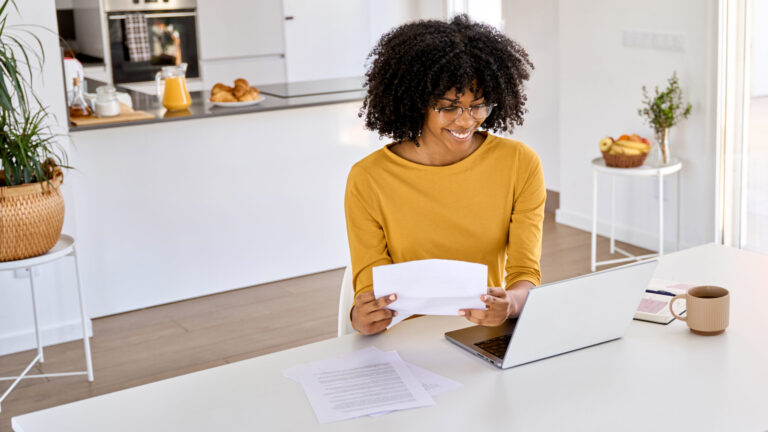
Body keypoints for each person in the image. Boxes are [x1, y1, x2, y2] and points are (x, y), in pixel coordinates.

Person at [345, 14, 545, 335]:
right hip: (402, 339)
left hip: (482, 331)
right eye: (449, 107)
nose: (466, 121)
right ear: (415, 102)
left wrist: (511, 303)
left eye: (478, 106)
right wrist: (360, 316)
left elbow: (525, 274)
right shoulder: (368, 178)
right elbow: (369, 285)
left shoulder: (520, 164)